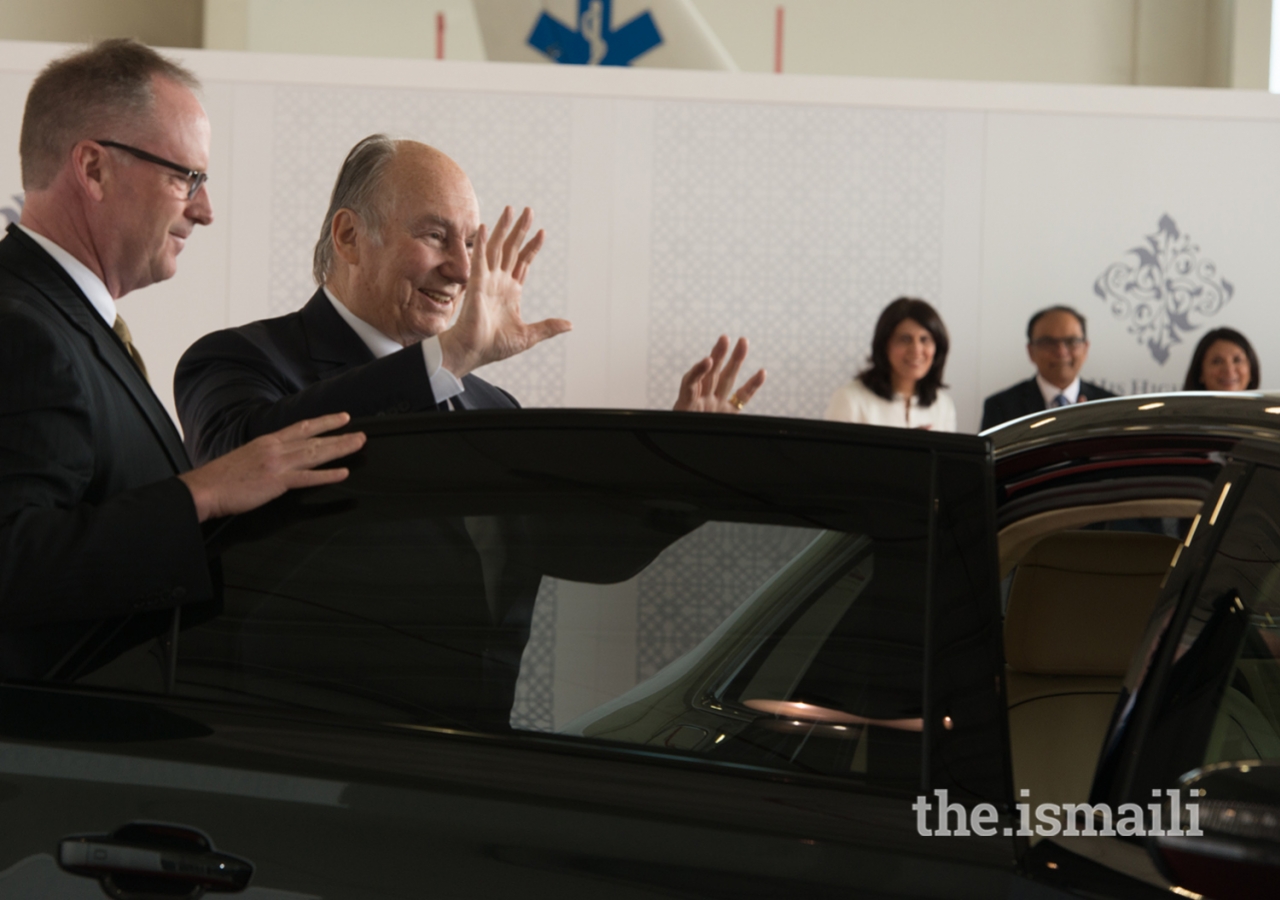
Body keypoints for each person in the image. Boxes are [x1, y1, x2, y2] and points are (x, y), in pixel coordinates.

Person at [0, 40, 365, 680]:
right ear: (92, 169)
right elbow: (12, 563)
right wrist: (202, 491)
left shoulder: (61, 320)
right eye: (185, 177)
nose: (204, 209)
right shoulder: (21, 328)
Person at [176, 135, 765, 465]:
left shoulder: (494, 407)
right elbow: (240, 461)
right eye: (435, 236)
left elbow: (581, 554)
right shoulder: (236, 362)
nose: (462, 270)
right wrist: (450, 357)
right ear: (350, 237)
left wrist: (679, 453)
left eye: (473, 243)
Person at [824, 297, 955, 431]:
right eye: (905, 339)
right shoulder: (850, 399)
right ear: (884, 345)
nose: (916, 350)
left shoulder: (943, 405)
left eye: (924, 339)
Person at [981, 305, 1115, 430]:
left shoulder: (1109, 407)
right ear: (1031, 351)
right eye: (1048, 342)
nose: (1061, 352)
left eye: (1071, 342)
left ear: (1085, 349)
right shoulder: (1001, 407)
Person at [1183, 327, 1260, 392]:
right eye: (1217, 361)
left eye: (1237, 360)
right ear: (1200, 372)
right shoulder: (1177, 410)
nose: (1229, 370)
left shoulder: (1269, 409)